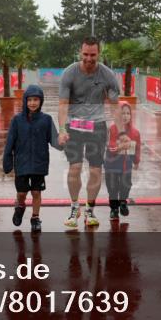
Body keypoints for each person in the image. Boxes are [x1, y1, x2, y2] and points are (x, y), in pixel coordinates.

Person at [58, 37, 120, 228]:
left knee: (95, 170)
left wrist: (118, 134)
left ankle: (90, 209)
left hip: (97, 126)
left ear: (99, 53)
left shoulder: (107, 75)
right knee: (75, 168)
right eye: (85, 54)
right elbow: (63, 104)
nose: (89, 58)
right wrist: (62, 130)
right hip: (74, 126)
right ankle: (74, 207)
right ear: (80, 52)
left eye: (93, 55)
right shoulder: (69, 73)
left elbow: (115, 105)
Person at [3, 85, 61, 233]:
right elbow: (10, 142)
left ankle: (35, 218)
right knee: (22, 193)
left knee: (36, 192)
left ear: (41, 101)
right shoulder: (17, 120)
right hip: (21, 163)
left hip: (39, 163)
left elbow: (54, 140)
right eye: (29, 100)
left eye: (36, 100)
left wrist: (63, 142)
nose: (33, 103)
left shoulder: (46, 120)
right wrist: (7, 159)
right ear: (25, 101)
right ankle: (20, 206)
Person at [104, 101, 141, 220]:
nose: (125, 116)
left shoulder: (135, 133)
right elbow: (111, 146)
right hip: (112, 165)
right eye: (122, 113)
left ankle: (123, 202)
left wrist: (136, 161)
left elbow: (137, 148)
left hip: (126, 165)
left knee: (126, 184)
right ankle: (114, 208)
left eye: (128, 113)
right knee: (112, 187)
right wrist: (120, 146)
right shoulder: (112, 129)